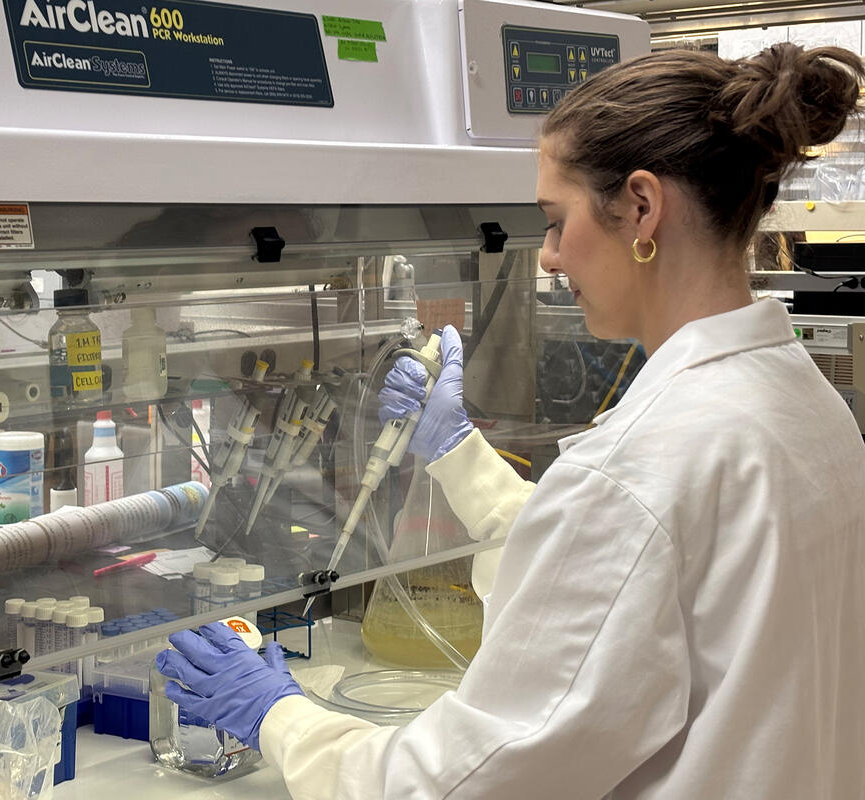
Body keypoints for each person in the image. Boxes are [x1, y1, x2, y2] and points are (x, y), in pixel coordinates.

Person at [156, 43, 865, 799]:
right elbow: (628, 583)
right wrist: (458, 454)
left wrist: (278, 717)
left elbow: (457, 785)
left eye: (556, 221)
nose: (551, 257)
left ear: (642, 207)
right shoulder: (804, 402)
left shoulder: (641, 468)